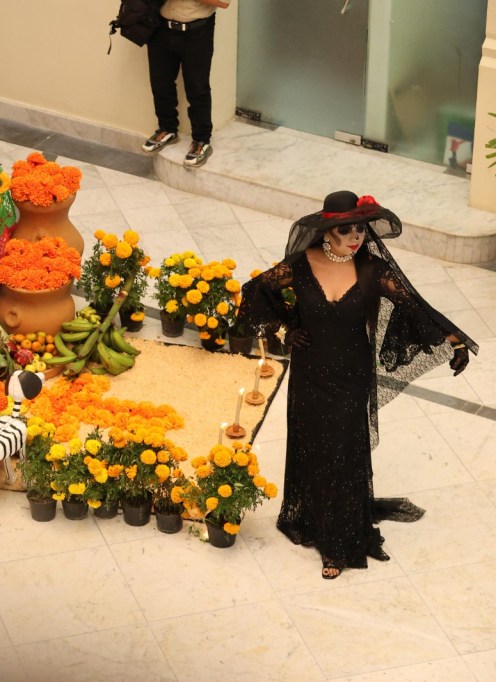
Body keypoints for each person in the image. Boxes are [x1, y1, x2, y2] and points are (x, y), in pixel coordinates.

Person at [238, 191, 476, 579]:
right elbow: (254, 293)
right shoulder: (299, 266)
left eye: (360, 229)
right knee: (313, 448)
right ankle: (313, 520)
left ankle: (338, 543)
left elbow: (414, 306)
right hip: (309, 375)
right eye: (345, 230)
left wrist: (454, 341)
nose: (354, 237)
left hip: (351, 376)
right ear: (326, 232)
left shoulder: (372, 270)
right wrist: (286, 328)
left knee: (343, 452)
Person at [141, 0, 231, 167]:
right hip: (160, 27)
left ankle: (201, 140)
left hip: (197, 31)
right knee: (160, 82)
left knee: (197, 87)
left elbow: (223, 3)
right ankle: (167, 129)